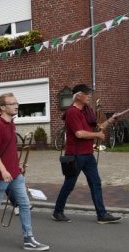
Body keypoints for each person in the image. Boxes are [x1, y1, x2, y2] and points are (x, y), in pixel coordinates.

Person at [0, 93, 50, 251]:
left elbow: (10, 149)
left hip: (15, 173)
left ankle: (28, 238)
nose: (16, 106)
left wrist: (17, 164)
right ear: (3, 108)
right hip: (1, 175)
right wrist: (4, 170)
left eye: (16, 103)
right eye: (12, 104)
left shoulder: (11, 123)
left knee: (25, 204)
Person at [52, 84, 122, 224]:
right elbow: (79, 133)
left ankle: (101, 214)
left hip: (88, 154)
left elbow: (98, 127)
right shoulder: (72, 113)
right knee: (69, 185)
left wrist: (110, 120)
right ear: (78, 96)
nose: (89, 95)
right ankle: (58, 211)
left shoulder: (87, 111)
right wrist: (97, 135)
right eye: (87, 93)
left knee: (96, 183)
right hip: (76, 155)